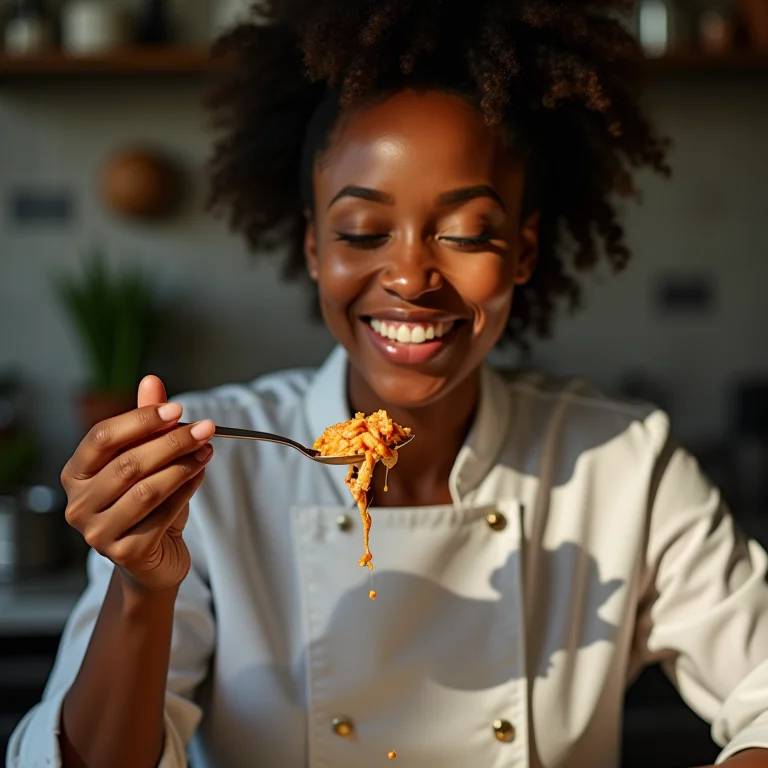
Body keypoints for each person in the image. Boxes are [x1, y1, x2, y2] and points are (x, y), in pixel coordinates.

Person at [8, 1, 768, 766]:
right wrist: (142, 589)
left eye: (468, 233)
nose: (409, 277)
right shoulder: (213, 470)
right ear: (313, 247)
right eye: (363, 233)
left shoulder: (622, 461)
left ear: (523, 252)